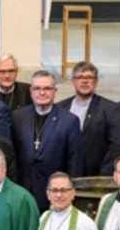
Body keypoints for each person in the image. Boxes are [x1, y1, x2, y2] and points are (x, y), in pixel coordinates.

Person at [12, 70, 82, 210]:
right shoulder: (18, 117)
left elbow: (75, 162)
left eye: (47, 88)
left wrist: (68, 193)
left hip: (54, 193)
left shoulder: (69, 120)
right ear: (31, 91)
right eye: (37, 88)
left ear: (55, 91)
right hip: (22, 190)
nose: (42, 93)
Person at [57, 61, 120, 177]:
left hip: (97, 175)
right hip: (65, 175)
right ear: (73, 81)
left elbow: (116, 146)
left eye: (89, 77)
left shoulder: (111, 109)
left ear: (96, 82)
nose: (84, 81)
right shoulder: (60, 108)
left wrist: (104, 175)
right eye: (80, 77)